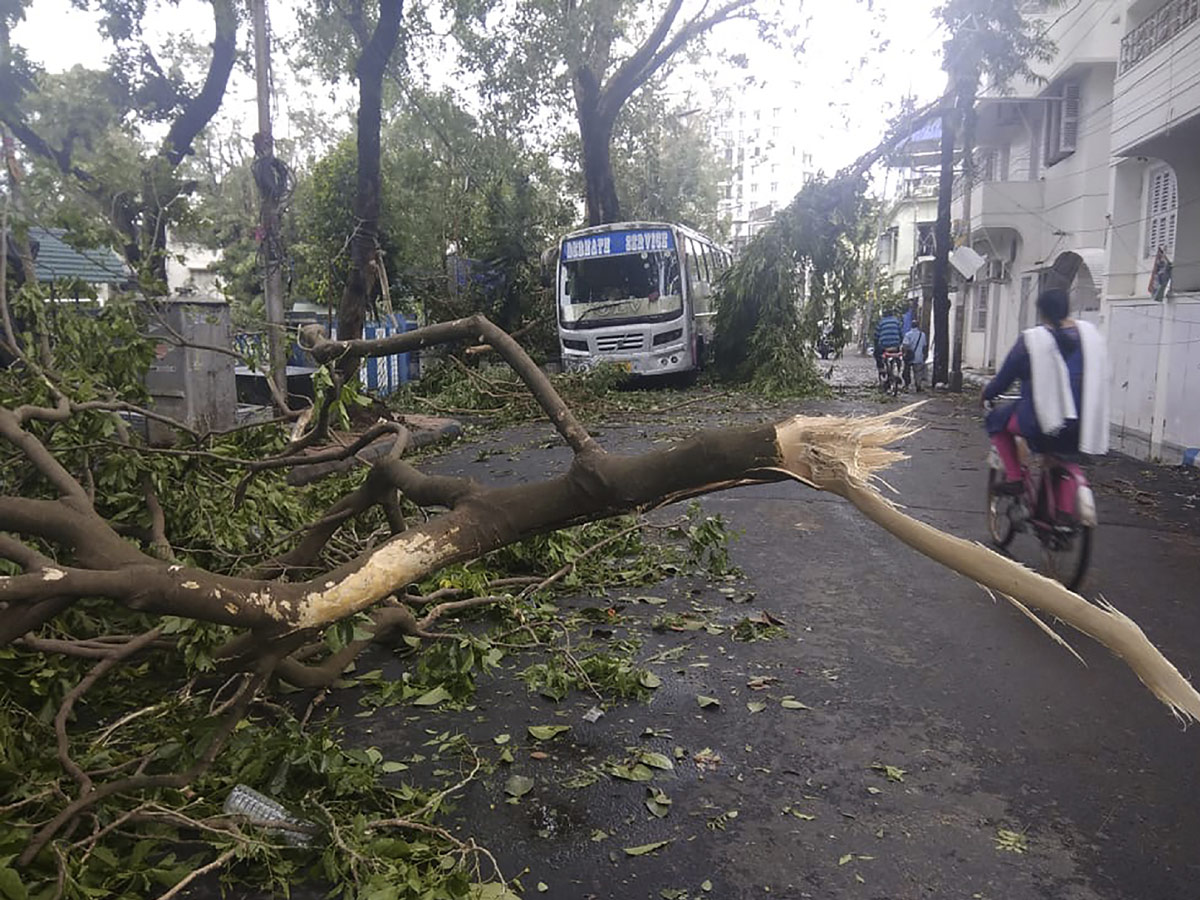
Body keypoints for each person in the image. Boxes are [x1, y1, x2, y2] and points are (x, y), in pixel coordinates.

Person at [981, 288, 1110, 493]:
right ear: (1067, 308)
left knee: (996, 421)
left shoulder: (1033, 339)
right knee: (1065, 457)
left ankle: (1015, 478)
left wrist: (987, 394)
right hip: (1083, 424)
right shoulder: (1090, 335)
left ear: (1041, 312)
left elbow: (1006, 376)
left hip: (1041, 422)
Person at [873, 308, 904, 379]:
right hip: (895, 346)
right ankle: (899, 371)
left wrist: (876, 344)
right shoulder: (897, 321)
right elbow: (901, 334)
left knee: (876, 354)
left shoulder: (881, 322)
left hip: (884, 346)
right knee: (899, 356)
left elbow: (876, 335)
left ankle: (881, 368)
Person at [901, 318, 928, 392]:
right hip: (919, 356)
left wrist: (904, 353)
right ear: (918, 326)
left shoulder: (908, 334)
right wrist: (925, 356)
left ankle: (907, 385)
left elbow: (905, 345)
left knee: (907, 371)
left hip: (909, 356)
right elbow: (924, 346)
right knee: (918, 372)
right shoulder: (922, 335)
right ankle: (918, 385)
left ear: (911, 326)